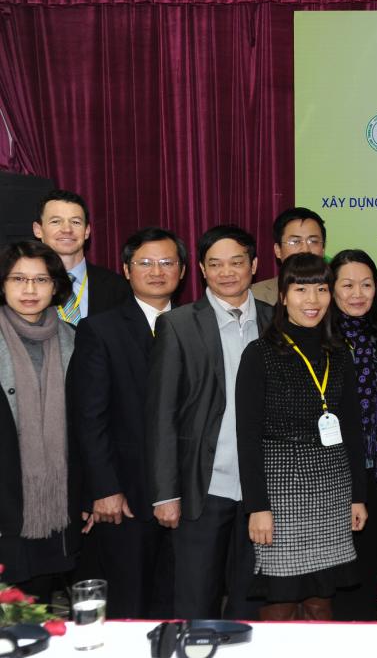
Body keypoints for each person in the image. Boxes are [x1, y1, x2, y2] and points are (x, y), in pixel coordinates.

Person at [146, 224, 273, 619]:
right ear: (201, 269)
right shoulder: (179, 324)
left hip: (261, 492)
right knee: (195, 601)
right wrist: (165, 493)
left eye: (236, 262)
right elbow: (161, 413)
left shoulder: (276, 321)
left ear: (253, 264)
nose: (227, 272)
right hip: (203, 488)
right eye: (215, 264)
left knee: (251, 601)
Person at [236, 253, 367, 620]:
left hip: (331, 484)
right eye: (301, 289)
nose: (312, 300)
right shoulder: (260, 353)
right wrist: (257, 507)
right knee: (280, 599)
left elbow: (353, 431)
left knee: (321, 598)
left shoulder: (339, 353)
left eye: (322, 289)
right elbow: (246, 436)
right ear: (283, 295)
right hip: (281, 487)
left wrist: (358, 495)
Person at [66, 227, 187, 618]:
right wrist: (104, 488)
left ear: (183, 271)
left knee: (179, 601)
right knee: (130, 605)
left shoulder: (195, 326)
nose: (157, 271)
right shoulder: (100, 330)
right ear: (126, 269)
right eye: (145, 263)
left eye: (167, 262)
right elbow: (89, 418)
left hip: (191, 493)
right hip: (126, 496)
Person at [0, 241, 78, 600]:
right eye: (18, 279)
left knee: (44, 606)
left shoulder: (75, 340)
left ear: (55, 286)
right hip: (8, 502)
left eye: (40, 280)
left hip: (58, 507)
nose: (29, 290)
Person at [329, 249, 377, 621]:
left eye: (366, 284)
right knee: (334, 572)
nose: (358, 293)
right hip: (331, 471)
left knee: (367, 565)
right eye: (348, 284)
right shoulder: (319, 338)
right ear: (331, 289)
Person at [32, 189, 130, 323]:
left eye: (76, 222)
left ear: (87, 231)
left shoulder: (118, 287)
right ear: (38, 230)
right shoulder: (22, 286)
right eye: (56, 221)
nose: (67, 229)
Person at [252, 207, 326, 305]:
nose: (305, 249)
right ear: (278, 250)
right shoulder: (254, 295)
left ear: (323, 250)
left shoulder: (338, 293)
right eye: (295, 241)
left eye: (313, 241)